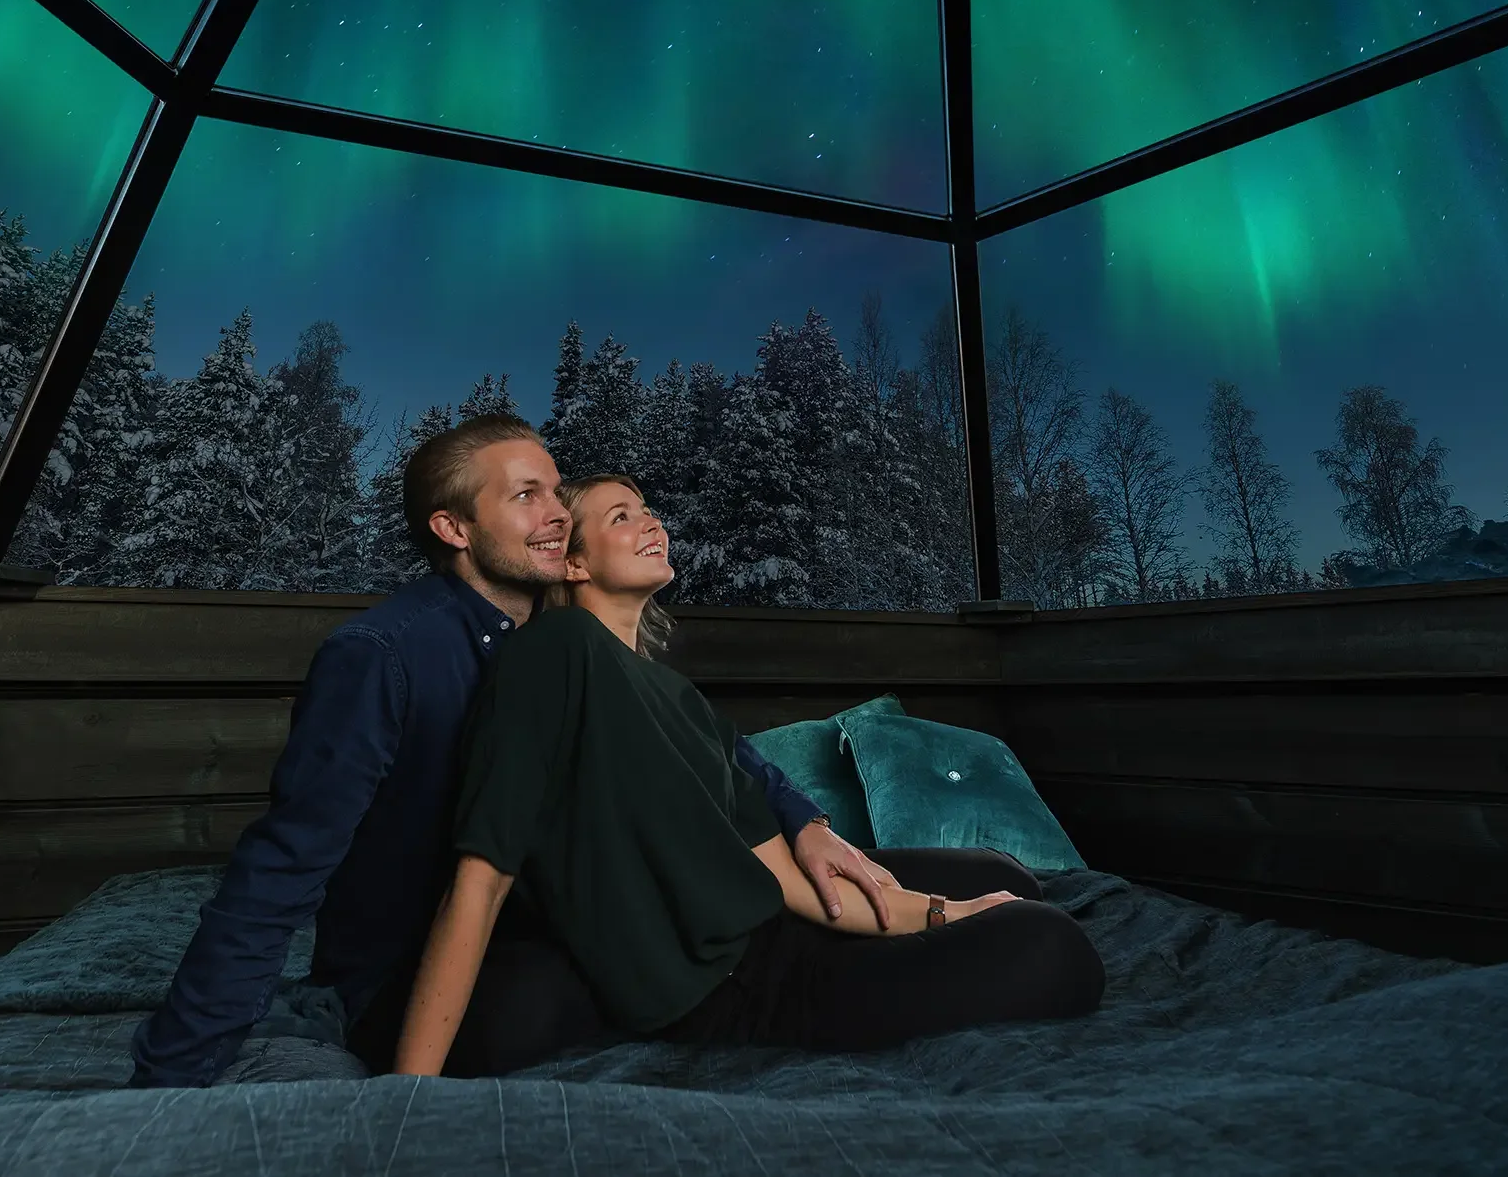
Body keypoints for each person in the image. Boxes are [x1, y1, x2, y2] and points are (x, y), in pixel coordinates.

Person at [129, 414, 1013, 1084]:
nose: (556, 515)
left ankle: (885, 920)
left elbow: (722, 753)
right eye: (526, 497)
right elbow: (282, 866)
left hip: (570, 910)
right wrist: (174, 1076)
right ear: (453, 529)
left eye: (558, 494)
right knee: (578, 988)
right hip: (443, 963)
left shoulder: (567, 644)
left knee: (986, 874)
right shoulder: (385, 657)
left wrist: (809, 821)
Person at [392, 474, 1104, 1074]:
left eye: (647, 509)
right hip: (742, 981)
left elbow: (772, 844)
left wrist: (851, 854)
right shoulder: (557, 652)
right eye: (620, 516)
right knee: (1051, 943)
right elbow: (480, 877)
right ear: (573, 562)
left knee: (1007, 876)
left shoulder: (668, 693)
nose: (651, 523)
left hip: (771, 923)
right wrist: (404, 1095)